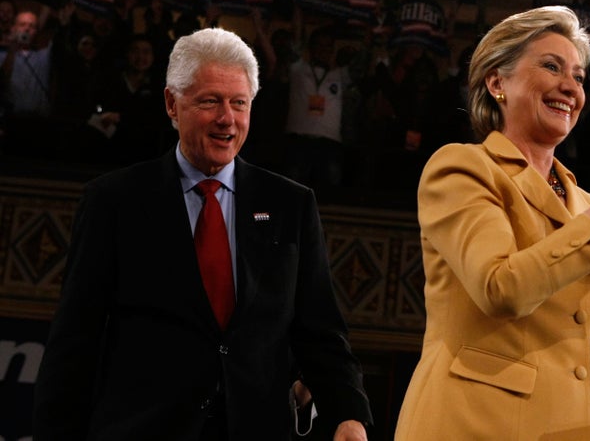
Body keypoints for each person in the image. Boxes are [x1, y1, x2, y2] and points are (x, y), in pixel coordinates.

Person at [33, 27, 373, 440]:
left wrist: (349, 415)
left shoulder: (291, 205)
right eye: (210, 101)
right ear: (171, 104)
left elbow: (321, 332)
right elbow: (75, 340)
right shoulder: (113, 201)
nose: (227, 118)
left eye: (239, 103)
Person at [394, 6, 590, 440]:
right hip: (474, 423)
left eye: (580, 77)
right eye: (551, 67)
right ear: (497, 82)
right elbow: (500, 289)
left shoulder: (583, 202)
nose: (571, 87)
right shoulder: (463, 168)